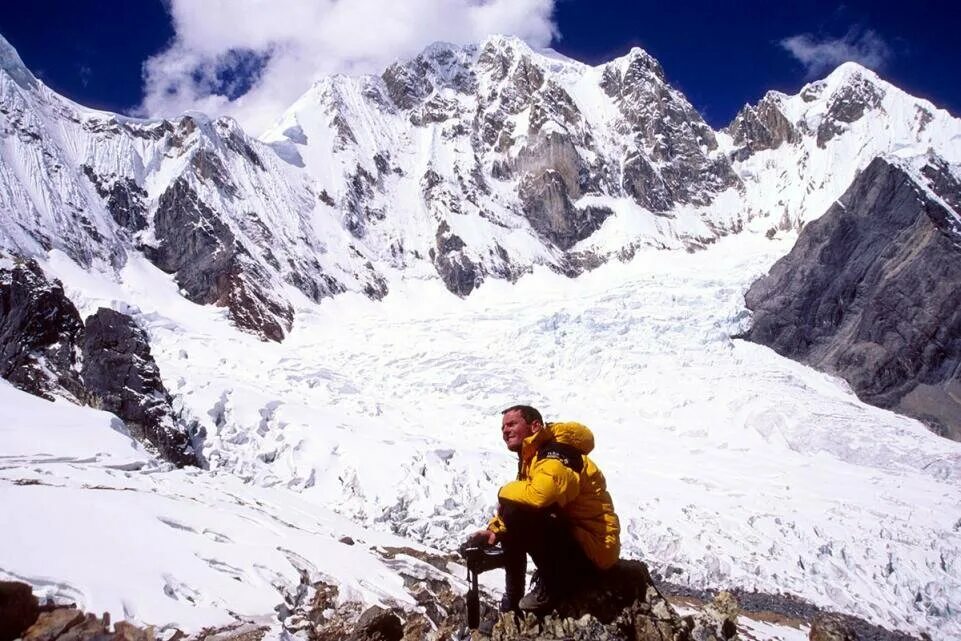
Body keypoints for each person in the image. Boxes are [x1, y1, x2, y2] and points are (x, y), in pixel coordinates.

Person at [467, 405, 621, 612]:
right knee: (516, 512)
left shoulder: (557, 454)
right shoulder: (534, 456)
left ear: (535, 426)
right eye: (503, 427)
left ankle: (556, 584)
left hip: (593, 552)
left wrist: (503, 491)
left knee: (517, 511)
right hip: (579, 541)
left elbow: (540, 496)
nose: (505, 431)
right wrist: (493, 532)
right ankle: (513, 602)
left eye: (512, 424)